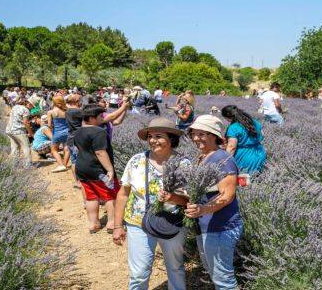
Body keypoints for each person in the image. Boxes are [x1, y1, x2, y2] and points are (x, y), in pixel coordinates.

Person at [112, 117, 188, 290]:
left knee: (175, 268)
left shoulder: (183, 164)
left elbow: (190, 200)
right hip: (138, 222)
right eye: (150, 136)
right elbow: (123, 194)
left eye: (159, 136)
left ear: (171, 139)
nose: (153, 140)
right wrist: (117, 226)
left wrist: (172, 198)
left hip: (172, 222)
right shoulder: (136, 161)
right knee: (139, 273)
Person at [185, 115, 243, 290]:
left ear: (213, 135)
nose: (196, 138)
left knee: (223, 280)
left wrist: (202, 209)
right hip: (207, 225)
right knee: (215, 273)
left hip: (221, 227)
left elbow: (227, 195)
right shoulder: (203, 157)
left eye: (202, 134)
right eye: (193, 134)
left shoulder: (222, 159)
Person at [75, 104, 120, 233]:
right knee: (110, 195)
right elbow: (100, 152)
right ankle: (112, 223)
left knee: (91, 197)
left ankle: (93, 223)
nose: (103, 117)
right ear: (91, 118)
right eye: (100, 116)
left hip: (82, 168)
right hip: (99, 170)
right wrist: (110, 170)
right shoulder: (99, 131)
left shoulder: (78, 131)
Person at [221, 105, 266, 175]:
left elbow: (232, 147)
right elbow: (262, 135)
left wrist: (225, 161)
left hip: (244, 157)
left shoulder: (233, 127)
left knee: (243, 181)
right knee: (258, 178)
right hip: (259, 153)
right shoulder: (255, 122)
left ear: (228, 117)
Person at [5, 99, 34, 167]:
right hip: (18, 131)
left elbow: (9, 115)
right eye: (32, 106)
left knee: (15, 147)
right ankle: (28, 165)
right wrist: (31, 133)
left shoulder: (15, 106)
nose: (32, 108)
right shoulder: (26, 110)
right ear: (29, 104)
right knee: (26, 147)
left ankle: (14, 164)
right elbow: (26, 123)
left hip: (9, 129)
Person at [47, 96, 70, 172]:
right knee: (67, 149)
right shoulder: (67, 111)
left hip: (57, 132)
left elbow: (49, 125)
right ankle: (65, 165)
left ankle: (60, 165)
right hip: (67, 132)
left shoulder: (51, 112)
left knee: (54, 150)